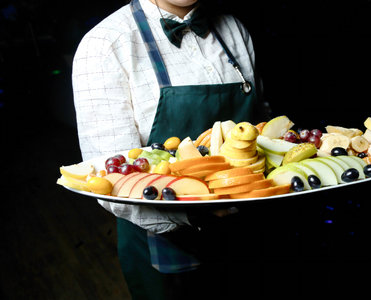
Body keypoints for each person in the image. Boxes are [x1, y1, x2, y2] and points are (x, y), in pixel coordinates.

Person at [72, 0, 267, 298]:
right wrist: (202, 210)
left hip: (251, 234)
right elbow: (111, 180)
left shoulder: (234, 28)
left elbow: (260, 125)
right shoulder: (104, 45)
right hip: (165, 254)